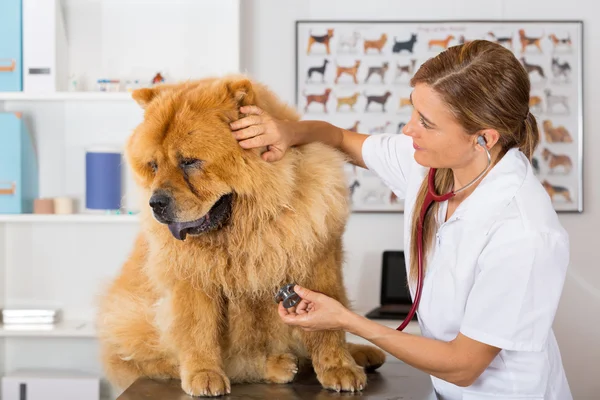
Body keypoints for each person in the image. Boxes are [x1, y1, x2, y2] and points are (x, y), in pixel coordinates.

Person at [229, 40, 572, 399]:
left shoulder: (525, 233)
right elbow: (339, 138)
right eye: (413, 111)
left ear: (483, 138)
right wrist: (288, 131)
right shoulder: (432, 163)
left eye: (426, 122)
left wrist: (346, 320)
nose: (408, 130)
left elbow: (463, 366)